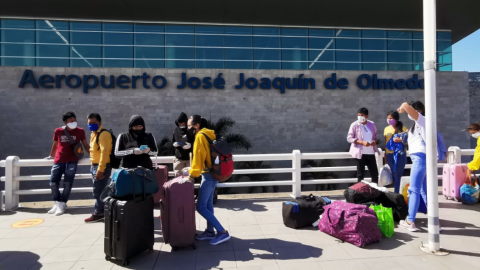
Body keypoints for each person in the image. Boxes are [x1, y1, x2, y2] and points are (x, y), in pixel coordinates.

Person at [187, 115, 230, 245]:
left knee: (200, 207)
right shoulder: (209, 134)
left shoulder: (200, 136)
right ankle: (210, 231)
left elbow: (198, 158)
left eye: (189, 126)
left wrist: (191, 176)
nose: (187, 128)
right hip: (213, 173)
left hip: (208, 176)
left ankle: (222, 232)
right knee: (208, 204)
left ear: (196, 126)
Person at [45, 112, 89, 216]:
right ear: (65, 122)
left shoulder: (80, 131)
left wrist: (91, 154)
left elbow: (85, 144)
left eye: (74, 120)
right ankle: (57, 202)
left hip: (72, 160)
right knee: (53, 182)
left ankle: (63, 203)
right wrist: (51, 155)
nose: (74, 122)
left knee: (68, 183)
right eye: (71, 121)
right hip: (58, 160)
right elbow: (55, 144)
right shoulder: (58, 131)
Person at [397, 101, 427, 232]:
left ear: (418, 111)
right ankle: (434, 220)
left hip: (420, 158)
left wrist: (403, 107)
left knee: (413, 190)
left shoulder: (422, 120)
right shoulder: (418, 125)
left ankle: (410, 221)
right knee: (424, 191)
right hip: (421, 158)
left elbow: (405, 105)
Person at [85, 113, 113, 223]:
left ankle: (100, 212)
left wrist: (100, 169)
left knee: (98, 191)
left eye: (94, 123)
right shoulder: (94, 134)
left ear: (100, 123)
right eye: (89, 123)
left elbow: (104, 153)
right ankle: (102, 212)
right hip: (95, 166)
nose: (91, 125)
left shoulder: (103, 134)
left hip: (101, 167)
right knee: (100, 190)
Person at [347, 107, 380, 183]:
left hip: (371, 153)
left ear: (366, 116)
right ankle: (360, 192)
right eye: (358, 115)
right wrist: (362, 142)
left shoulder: (372, 124)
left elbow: (375, 136)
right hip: (360, 153)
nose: (360, 117)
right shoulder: (354, 125)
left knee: (374, 174)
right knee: (360, 175)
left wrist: (374, 141)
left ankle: (374, 191)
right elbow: (349, 138)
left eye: (362, 115)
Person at [384, 111, 408, 193]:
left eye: (391, 118)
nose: (389, 120)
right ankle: (397, 192)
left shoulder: (403, 128)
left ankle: (396, 193)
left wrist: (399, 140)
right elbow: (385, 143)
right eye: (388, 118)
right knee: (394, 174)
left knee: (398, 174)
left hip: (400, 155)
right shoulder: (386, 129)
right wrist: (385, 156)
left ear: (396, 119)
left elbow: (408, 141)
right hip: (390, 155)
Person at [172, 112, 194, 176]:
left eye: (182, 123)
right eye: (179, 124)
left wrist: (190, 145)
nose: (181, 125)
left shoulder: (191, 130)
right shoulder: (176, 130)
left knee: (189, 178)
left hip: (189, 159)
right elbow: (173, 141)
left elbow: (196, 142)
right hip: (179, 158)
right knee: (178, 177)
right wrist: (174, 144)